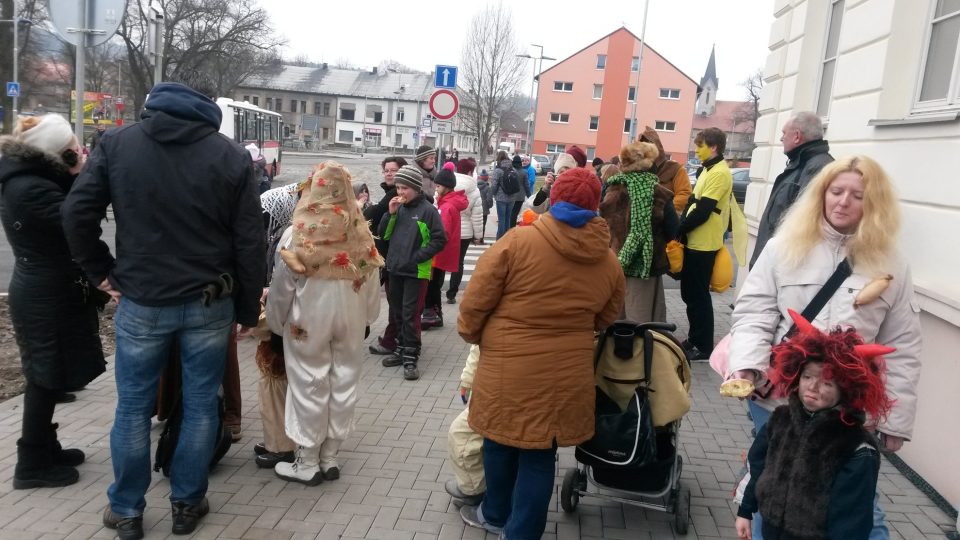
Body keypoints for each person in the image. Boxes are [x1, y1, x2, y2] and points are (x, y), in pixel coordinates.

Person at [63, 79, 266, 539]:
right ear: (206, 112)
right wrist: (247, 309)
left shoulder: (117, 143)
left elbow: (76, 214)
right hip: (209, 301)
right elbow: (249, 239)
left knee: (132, 408)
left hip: (142, 299)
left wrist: (101, 273)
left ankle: (127, 510)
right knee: (200, 406)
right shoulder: (230, 155)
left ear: (153, 106)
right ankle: (187, 503)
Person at [728, 155, 922, 540]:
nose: (843, 202)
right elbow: (754, 312)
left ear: (874, 204)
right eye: (836, 191)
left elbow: (904, 345)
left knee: (859, 507)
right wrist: (747, 365)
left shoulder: (892, 263)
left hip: (847, 413)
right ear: (822, 194)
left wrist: (896, 420)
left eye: (857, 195)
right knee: (773, 486)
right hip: (781, 400)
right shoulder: (784, 246)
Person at [457, 167, 625, 538]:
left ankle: (495, 514)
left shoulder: (518, 242)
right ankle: (522, 532)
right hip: (567, 375)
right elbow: (607, 316)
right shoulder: (608, 259)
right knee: (540, 454)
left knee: (499, 442)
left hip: (508, 367)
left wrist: (471, 334)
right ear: (594, 204)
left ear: (556, 198)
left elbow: (476, 301)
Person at [0, 114, 106, 490]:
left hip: (45, 288)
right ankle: (30, 464)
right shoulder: (30, 188)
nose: (79, 153)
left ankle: (46, 447)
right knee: (43, 378)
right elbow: (76, 224)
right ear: (55, 154)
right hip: (43, 292)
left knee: (50, 373)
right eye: (72, 150)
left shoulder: (30, 180)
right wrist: (81, 176)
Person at [267, 162, 383, 485]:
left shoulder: (297, 234)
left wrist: (276, 322)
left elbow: (282, 285)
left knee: (308, 383)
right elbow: (373, 280)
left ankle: (306, 461)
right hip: (351, 321)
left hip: (307, 323)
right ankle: (330, 457)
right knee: (344, 382)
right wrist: (368, 317)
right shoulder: (362, 233)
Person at [735, 310, 894, 540]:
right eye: (808, 377)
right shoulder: (781, 419)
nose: (813, 387)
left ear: (846, 390)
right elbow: (757, 466)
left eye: (827, 382)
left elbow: (852, 518)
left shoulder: (856, 447)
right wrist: (745, 511)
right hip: (772, 529)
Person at [377, 165, 446, 380]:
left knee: (409, 315)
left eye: (404, 188)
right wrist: (390, 215)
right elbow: (384, 236)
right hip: (396, 269)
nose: (400, 192)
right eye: (398, 187)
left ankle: (411, 357)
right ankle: (400, 349)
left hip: (416, 272)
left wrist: (417, 256)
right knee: (397, 313)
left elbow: (439, 239)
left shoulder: (428, 211)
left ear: (416, 188)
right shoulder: (400, 208)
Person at [252, 182, 302, 469]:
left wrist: (271, 321)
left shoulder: (291, 236)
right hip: (312, 326)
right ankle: (292, 442)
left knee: (275, 384)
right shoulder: (337, 233)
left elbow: (284, 285)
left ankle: (281, 445)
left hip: (288, 323)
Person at [599, 141, 679, 323]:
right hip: (647, 270)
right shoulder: (660, 193)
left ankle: (613, 351)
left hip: (614, 264)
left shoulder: (612, 189)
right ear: (650, 164)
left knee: (615, 318)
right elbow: (674, 231)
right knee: (643, 321)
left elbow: (602, 225)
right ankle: (644, 351)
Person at [750, 111, 833, 269]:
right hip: (775, 259)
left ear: (796, 136)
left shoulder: (817, 168)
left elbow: (804, 225)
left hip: (785, 264)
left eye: (784, 133)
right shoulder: (801, 163)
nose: (781, 138)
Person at [678, 127, 732, 360]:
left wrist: (680, 229)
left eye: (700, 146)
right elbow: (692, 200)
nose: (696, 150)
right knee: (690, 293)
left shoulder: (720, 173)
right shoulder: (707, 170)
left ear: (713, 147)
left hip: (704, 242)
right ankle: (694, 338)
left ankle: (704, 345)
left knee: (698, 295)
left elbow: (703, 210)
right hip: (695, 240)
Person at [365, 157, 408, 356]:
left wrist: (363, 206)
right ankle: (396, 337)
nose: (389, 173)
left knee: (395, 300)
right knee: (395, 300)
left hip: (394, 256)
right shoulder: (390, 192)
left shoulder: (394, 194)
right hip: (389, 254)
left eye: (393, 170)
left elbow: (373, 213)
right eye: (386, 170)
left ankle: (394, 340)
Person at [421, 167, 468, 328]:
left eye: (438, 186)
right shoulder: (450, 203)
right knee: (436, 283)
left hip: (438, 253)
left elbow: (442, 231)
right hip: (445, 251)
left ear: (447, 187)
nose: (436, 189)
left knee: (432, 284)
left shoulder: (446, 207)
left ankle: (430, 314)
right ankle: (437, 313)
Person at [445, 344, 485, 507]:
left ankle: (474, 491)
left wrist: (467, 381)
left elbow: (469, 329)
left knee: (461, 435)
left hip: (502, 389)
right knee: (534, 457)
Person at [446, 160, 484, 304]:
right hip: (465, 231)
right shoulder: (474, 189)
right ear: (470, 172)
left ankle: (435, 290)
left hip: (446, 228)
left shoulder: (447, 184)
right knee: (458, 262)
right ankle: (452, 293)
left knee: (441, 261)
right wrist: (478, 236)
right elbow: (477, 215)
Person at [640, 126, 692, 214]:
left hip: (667, 220)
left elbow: (684, 194)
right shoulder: (638, 171)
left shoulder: (675, 169)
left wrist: (664, 210)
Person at [490, 151, 525, 239]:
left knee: (502, 220)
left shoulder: (498, 170)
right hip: (512, 198)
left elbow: (494, 185)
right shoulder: (513, 169)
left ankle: (499, 241)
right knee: (508, 219)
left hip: (501, 198)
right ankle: (507, 239)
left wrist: (493, 194)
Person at [476, 169, 493, 238]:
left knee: (476, 223)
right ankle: (481, 238)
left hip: (476, 208)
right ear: (486, 178)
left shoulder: (475, 187)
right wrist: (489, 206)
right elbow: (489, 199)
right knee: (483, 224)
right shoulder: (487, 188)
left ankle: (474, 238)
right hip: (484, 209)